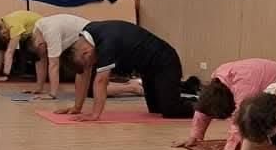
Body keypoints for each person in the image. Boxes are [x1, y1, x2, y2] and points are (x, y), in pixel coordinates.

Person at [60, 20, 193, 120]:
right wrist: (77, 107)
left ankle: (202, 107)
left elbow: (101, 81)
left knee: (171, 110)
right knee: (156, 109)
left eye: (89, 64)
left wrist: (94, 115)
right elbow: (84, 74)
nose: (91, 66)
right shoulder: (88, 35)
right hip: (148, 69)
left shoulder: (107, 43)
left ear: (86, 53)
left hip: (165, 62)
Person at [173, 59, 276, 150]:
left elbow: (240, 118)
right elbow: (204, 106)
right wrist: (194, 136)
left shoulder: (243, 85)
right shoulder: (218, 78)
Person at [23, 14, 89, 99]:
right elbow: (41, 60)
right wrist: (39, 88)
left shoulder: (50, 33)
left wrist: (52, 94)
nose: (45, 53)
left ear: (40, 45)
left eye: (43, 52)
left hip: (89, 34)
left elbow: (54, 65)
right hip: (78, 37)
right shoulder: (37, 31)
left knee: (91, 85)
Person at [0, 10, 41, 78]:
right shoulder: (3, 25)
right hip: (29, 32)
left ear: (3, 33)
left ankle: (41, 75)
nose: (7, 41)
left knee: (34, 50)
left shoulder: (14, 27)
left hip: (42, 30)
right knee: (24, 46)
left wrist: (5, 75)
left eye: (5, 39)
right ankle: (24, 71)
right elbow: (0, 50)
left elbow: (10, 52)